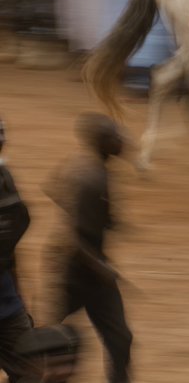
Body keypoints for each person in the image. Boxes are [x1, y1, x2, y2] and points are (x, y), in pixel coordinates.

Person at [42, 114, 132, 383]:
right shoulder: (91, 178)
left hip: (85, 263)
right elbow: (74, 238)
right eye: (115, 136)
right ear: (101, 142)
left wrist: (101, 219)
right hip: (74, 268)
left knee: (119, 337)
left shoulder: (83, 164)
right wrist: (100, 267)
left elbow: (51, 188)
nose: (122, 140)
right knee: (56, 340)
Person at [0, 119, 35, 383]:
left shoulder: (5, 180)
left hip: (7, 304)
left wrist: (20, 299)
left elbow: (9, 248)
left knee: (31, 370)